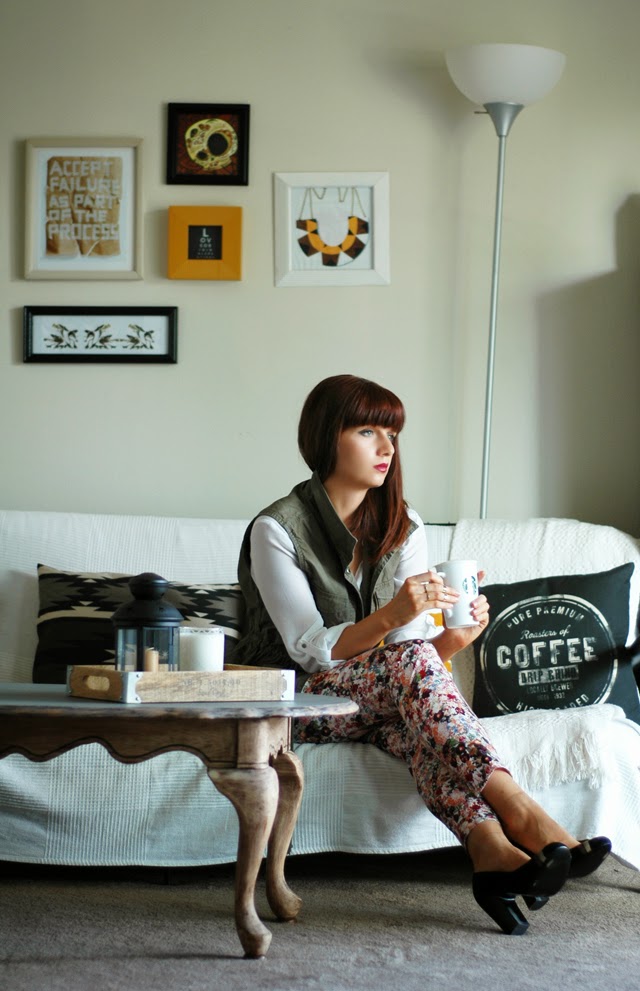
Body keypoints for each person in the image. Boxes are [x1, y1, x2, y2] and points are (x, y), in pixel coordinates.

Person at [237, 373, 611, 935]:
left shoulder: (404, 525)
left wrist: (456, 640)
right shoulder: (277, 529)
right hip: (296, 702)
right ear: (325, 436)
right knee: (409, 671)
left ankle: (492, 852)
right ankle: (521, 811)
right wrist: (391, 617)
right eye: (368, 431)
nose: (387, 448)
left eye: (392, 434)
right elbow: (310, 651)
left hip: (376, 695)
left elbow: (409, 658)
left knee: (418, 727)